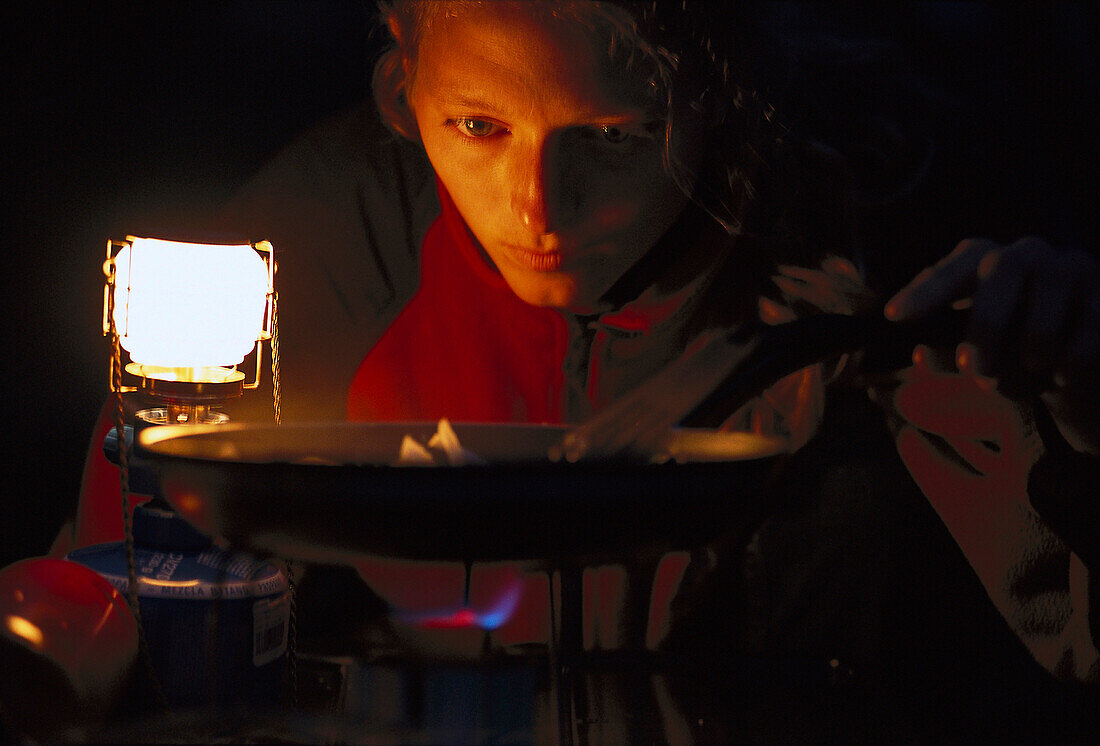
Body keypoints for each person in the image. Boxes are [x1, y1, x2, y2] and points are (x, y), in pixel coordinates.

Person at [60, 0, 1097, 739]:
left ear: (720, 97)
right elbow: (101, 583)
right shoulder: (326, 243)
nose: (537, 210)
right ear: (399, 85)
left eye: (612, 134)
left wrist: (1080, 406)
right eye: (476, 125)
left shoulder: (873, 248)